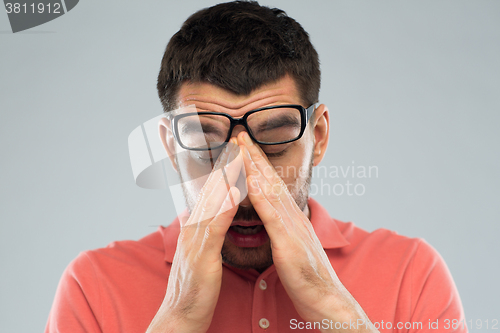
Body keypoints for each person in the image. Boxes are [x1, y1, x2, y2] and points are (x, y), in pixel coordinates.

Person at [45, 1, 467, 332]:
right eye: (207, 143)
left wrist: (329, 303)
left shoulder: (413, 272)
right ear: (171, 149)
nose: (245, 183)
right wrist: (179, 316)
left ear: (317, 137)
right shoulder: (92, 285)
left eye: (275, 137)